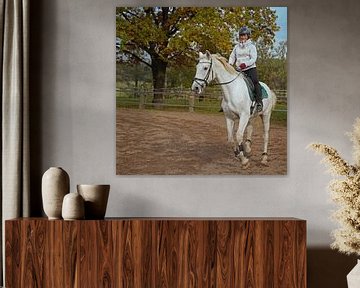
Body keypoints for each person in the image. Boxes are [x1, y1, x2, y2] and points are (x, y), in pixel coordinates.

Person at [228, 26, 263, 113]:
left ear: (248, 36)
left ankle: (259, 102)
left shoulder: (252, 47)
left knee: (255, 82)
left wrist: (245, 64)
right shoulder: (236, 47)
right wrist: (229, 64)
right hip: (239, 69)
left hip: (250, 68)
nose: (242, 37)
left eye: (244, 35)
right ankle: (228, 103)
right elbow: (232, 56)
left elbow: (253, 58)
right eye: (241, 35)